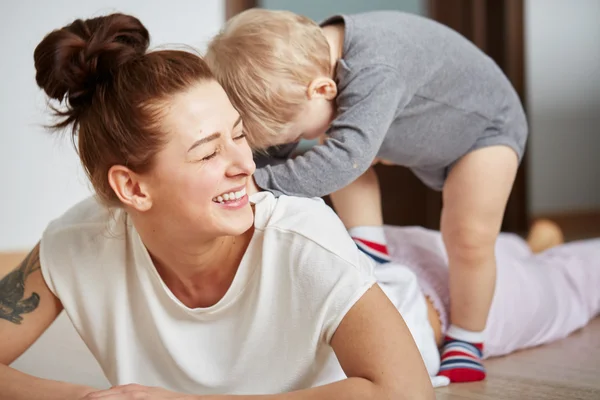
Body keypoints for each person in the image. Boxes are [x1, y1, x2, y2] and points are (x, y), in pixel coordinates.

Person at [0, 12, 434, 400]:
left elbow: (409, 391)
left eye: (240, 135)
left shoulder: (304, 237)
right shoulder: (75, 244)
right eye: (208, 153)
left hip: (415, 292)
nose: (245, 164)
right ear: (132, 188)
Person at [205, 8, 528, 382]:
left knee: (468, 236)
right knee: (333, 143)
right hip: (417, 129)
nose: (281, 148)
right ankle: (369, 245)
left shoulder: (375, 68)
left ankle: (469, 338)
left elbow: (345, 161)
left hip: (483, 132)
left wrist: (259, 183)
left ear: (322, 90)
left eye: (286, 136)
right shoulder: (308, 67)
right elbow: (293, 144)